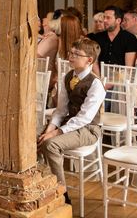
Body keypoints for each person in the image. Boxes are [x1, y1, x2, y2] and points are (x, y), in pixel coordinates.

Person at [38, 37, 105, 205]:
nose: (71, 56)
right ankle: (42, 186)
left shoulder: (96, 85)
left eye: (76, 54)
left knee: (51, 144)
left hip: (89, 129)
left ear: (89, 60)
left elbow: (85, 118)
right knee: (37, 139)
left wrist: (55, 133)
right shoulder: (67, 76)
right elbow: (61, 110)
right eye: (71, 53)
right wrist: (49, 130)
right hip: (70, 123)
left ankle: (62, 194)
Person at [92, 6, 137, 75]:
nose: (104, 20)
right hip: (100, 79)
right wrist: (99, 81)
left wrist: (113, 83)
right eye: (104, 17)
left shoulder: (130, 39)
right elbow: (94, 61)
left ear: (118, 21)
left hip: (122, 80)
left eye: (108, 18)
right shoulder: (97, 38)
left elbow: (129, 68)